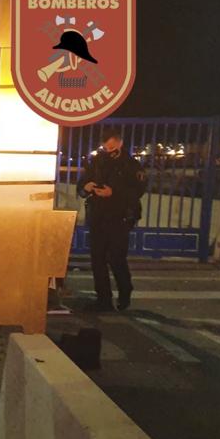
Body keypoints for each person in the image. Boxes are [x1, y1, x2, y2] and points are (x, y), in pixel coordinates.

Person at [77, 130, 145, 311]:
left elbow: (137, 192)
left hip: (120, 217)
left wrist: (113, 193)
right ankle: (103, 299)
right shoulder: (97, 162)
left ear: (120, 144)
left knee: (116, 259)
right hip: (98, 216)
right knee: (97, 259)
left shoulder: (132, 165)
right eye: (106, 148)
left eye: (112, 147)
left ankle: (125, 292)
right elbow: (82, 184)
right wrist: (86, 186)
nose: (109, 151)